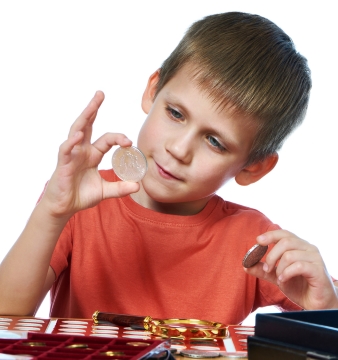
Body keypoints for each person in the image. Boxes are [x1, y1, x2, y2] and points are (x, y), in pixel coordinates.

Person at [0, 11, 337, 324]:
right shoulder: (78, 204)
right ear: (153, 91)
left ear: (254, 167)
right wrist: (52, 211)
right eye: (175, 113)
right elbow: (6, 315)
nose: (178, 149)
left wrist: (325, 305)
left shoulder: (252, 240)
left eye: (214, 141)